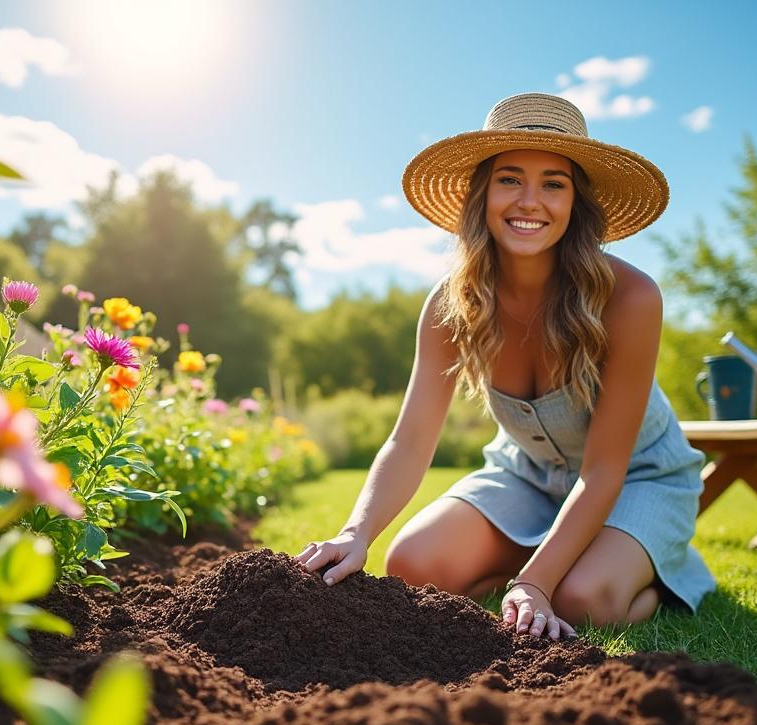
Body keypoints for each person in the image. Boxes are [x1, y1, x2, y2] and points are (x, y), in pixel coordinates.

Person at [294, 92, 715, 641]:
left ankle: (652, 576)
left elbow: (604, 470)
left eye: (554, 184)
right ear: (483, 193)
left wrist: (538, 584)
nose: (530, 201)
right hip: (528, 476)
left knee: (581, 600)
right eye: (510, 179)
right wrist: (356, 532)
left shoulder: (631, 298)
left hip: (638, 478)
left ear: (576, 202)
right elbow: (411, 441)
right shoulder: (451, 305)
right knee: (413, 563)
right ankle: (536, 563)